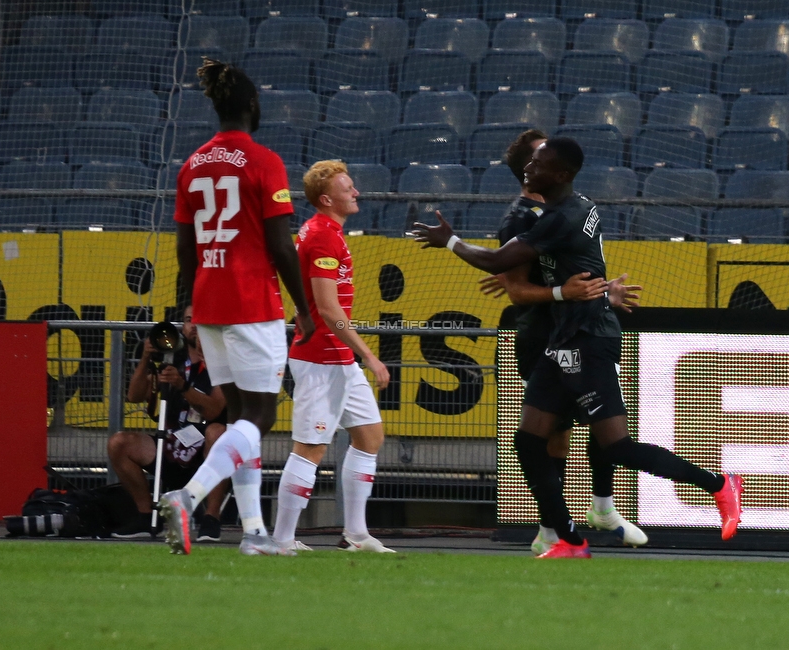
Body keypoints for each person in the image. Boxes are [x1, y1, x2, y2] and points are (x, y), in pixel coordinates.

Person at [412, 136, 743, 559]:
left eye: (540, 161)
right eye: (530, 160)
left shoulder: (555, 218)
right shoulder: (565, 208)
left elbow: (501, 266)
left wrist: (452, 242)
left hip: (589, 338)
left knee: (611, 445)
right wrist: (592, 293)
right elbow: (534, 279)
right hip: (558, 338)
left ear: (561, 173)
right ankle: (567, 536)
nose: (532, 167)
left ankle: (718, 485)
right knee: (532, 442)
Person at [160, 57, 316, 556]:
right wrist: (305, 306)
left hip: (208, 303)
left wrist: (187, 300)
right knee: (261, 418)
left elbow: (185, 248)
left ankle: (253, 534)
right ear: (251, 105)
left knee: (240, 421)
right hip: (252, 300)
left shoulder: (191, 164)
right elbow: (280, 244)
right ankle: (187, 496)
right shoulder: (264, 160)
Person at [478, 129, 648, 553]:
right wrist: (560, 293)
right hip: (541, 334)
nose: (545, 158)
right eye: (539, 154)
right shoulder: (518, 219)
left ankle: (600, 506)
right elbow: (517, 291)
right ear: (529, 168)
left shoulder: (567, 208)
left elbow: (574, 268)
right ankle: (551, 529)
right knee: (552, 432)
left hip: (578, 329)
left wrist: (604, 291)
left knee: (595, 420)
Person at [271, 161, 395, 555]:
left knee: (370, 436)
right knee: (311, 447)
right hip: (321, 358)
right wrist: (370, 357)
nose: (355, 192)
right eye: (348, 187)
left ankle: (357, 535)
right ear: (327, 199)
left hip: (337, 357)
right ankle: (282, 539)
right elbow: (328, 309)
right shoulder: (323, 236)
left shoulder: (326, 232)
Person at [108, 305, 229, 541]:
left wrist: (181, 385)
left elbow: (215, 408)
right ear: (182, 328)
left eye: (200, 319)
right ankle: (146, 516)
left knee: (219, 432)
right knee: (118, 443)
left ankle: (211, 518)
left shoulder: (223, 361)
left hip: (206, 450)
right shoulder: (172, 358)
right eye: (188, 320)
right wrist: (146, 358)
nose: (194, 325)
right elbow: (134, 396)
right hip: (171, 443)